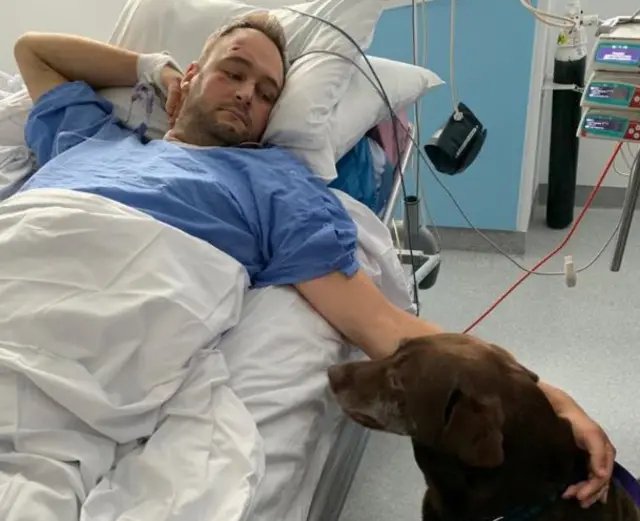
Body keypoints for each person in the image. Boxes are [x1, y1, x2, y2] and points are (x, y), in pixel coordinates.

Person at [12, 12, 614, 509]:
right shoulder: (91, 137)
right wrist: (154, 68)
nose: (249, 93)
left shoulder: (276, 185)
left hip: (105, 319)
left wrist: (553, 401)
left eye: (268, 92)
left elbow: (387, 328)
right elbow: (33, 49)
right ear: (190, 80)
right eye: (233, 73)